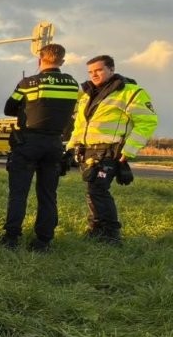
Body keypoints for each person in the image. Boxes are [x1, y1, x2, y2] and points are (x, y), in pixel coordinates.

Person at [65, 55, 158, 245]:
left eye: (98, 70)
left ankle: (110, 235)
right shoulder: (87, 93)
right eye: (90, 72)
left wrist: (129, 149)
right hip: (87, 151)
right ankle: (96, 230)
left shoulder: (130, 92)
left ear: (111, 69)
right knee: (92, 190)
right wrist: (70, 147)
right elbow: (80, 125)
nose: (94, 75)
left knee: (98, 189)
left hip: (110, 151)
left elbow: (147, 122)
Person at [0, 43, 80, 252]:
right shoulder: (72, 84)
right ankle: (44, 241)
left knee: (18, 192)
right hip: (54, 143)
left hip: (27, 142)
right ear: (62, 60)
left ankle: (11, 238)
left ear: (39, 60)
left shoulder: (28, 83)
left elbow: (9, 108)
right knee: (48, 194)